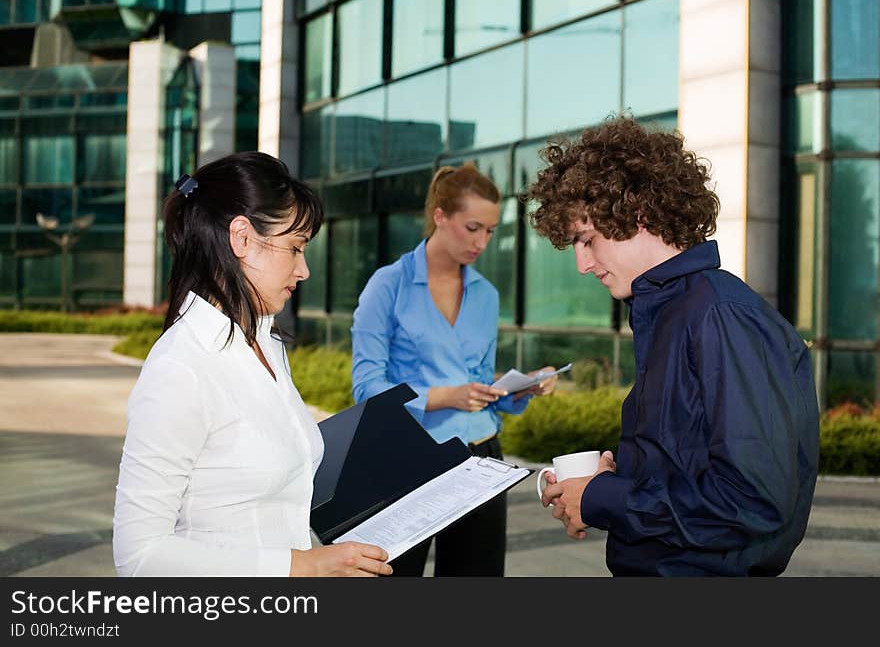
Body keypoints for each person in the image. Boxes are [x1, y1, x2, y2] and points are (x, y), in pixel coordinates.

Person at [527, 116, 820, 576]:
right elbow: (689, 469)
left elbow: (753, 499)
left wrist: (605, 497)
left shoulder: (719, 315)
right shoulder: (672, 313)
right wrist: (609, 483)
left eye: (587, 240)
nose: (583, 264)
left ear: (638, 214)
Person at [113, 152, 392, 577]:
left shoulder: (267, 344)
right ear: (241, 238)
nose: (304, 270)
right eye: (294, 248)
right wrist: (305, 568)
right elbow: (140, 556)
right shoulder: (180, 368)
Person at [351, 163, 557, 576]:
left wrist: (517, 389)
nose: (482, 241)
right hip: (407, 460)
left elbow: (479, 383)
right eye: (473, 227)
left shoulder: (487, 295)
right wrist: (446, 396)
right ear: (440, 217)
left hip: (481, 457)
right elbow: (366, 389)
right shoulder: (387, 286)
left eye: (490, 231)